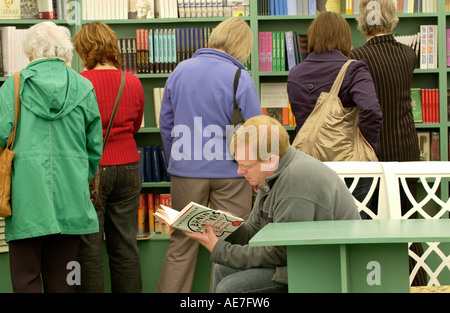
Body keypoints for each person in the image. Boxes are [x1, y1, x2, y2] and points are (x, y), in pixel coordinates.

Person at [185, 115, 361, 293]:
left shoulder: (295, 182)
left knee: (230, 289)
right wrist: (228, 225)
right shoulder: (270, 173)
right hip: (299, 259)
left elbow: (280, 253)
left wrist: (220, 250)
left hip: (323, 267)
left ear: (269, 159)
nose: (240, 171)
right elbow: (256, 234)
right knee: (222, 270)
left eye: (245, 165)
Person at [157, 17, 263, 293]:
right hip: (230, 173)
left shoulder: (179, 71)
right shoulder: (240, 76)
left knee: (181, 243)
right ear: (242, 46)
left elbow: (166, 124)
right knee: (231, 244)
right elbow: (257, 129)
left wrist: (178, 160)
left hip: (186, 170)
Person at [0, 21, 102, 293]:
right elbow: (94, 149)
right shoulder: (84, 88)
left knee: (25, 280)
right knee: (68, 280)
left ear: (31, 52)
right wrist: (79, 176)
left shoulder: (13, 86)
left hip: (25, 202)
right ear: (65, 51)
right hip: (72, 201)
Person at [350, 0, 425, 286]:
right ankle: (418, 284)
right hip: (407, 147)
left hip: (374, 150)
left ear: (362, 22)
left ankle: (379, 283)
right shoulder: (409, 54)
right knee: (408, 216)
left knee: (374, 220)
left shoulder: (356, 56)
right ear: (392, 19)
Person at [73, 22, 145, 293]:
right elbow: (135, 126)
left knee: (88, 248)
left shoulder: (79, 83)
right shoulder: (133, 82)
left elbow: (75, 131)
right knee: (126, 246)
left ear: (84, 49)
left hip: (92, 170)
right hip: (128, 166)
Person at [286, 11, 383, 211]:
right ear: (344, 38)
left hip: (308, 165)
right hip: (350, 168)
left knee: (316, 226)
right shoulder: (354, 69)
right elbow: (372, 111)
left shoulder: (295, 74)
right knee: (356, 226)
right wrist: (366, 146)